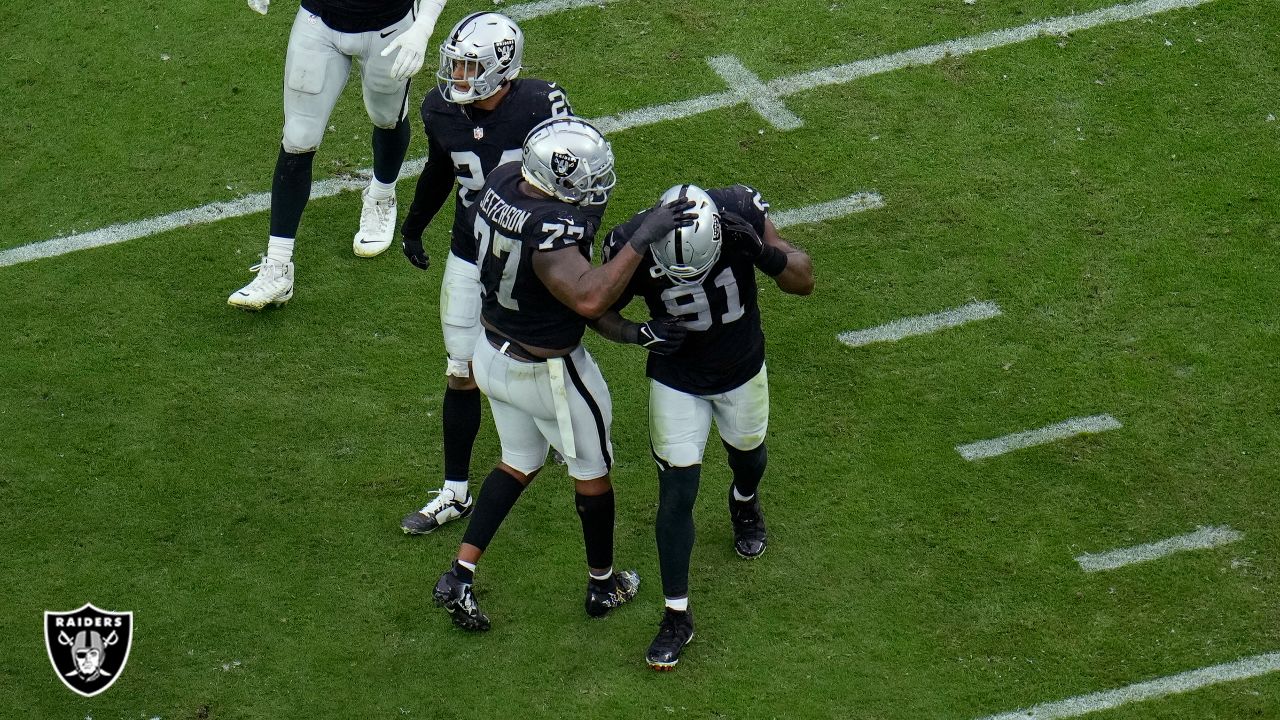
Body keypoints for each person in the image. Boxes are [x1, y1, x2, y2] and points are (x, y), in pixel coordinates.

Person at [431, 117, 695, 631]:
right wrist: (643, 238)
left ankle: (459, 574)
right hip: (548, 371)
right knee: (593, 473)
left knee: (518, 461)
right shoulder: (553, 229)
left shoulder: (503, 180)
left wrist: (633, 332)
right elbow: (589, 296)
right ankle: (603, 584)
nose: (594, 190)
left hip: (491, 350)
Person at [594, 183, 814, 669]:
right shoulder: (635, 239)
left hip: (741, 370)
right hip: (677, 380)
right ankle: (677, 614)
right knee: (676, 491)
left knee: (749, 455)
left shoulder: (738, 213)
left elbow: (804, 278)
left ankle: (744, 500)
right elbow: (593, 306)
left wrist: (762, 253)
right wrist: (637, 333)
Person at [396, 12, 575, 535]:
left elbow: (574, 177)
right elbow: (439, 167)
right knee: (460, 367)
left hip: (532, 254)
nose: (458, 77)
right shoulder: (440, 110)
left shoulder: (541, 104)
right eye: (455, 65)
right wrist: (413, 225)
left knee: (545, 349)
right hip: (470, 252)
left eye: (470, 66)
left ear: (503, 67)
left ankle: (569, 441)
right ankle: (454, 491)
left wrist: (562, 244)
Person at [228, 0, 446, 310]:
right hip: (319, 22)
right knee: (298, 138)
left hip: (389, 25)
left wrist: (423, 27)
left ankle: (382, 196)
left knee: (387, 117)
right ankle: (278, 267)